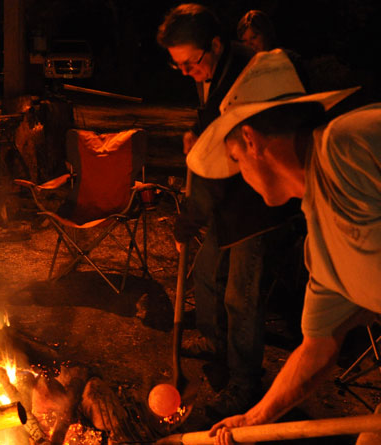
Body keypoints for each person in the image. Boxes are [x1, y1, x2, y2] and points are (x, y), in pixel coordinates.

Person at [187, 49, 381, 444]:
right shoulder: (321, 249)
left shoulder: (353, 143)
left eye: (236, 160)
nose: (242, 177)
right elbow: (317, 351)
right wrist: (252, 419)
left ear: (251, 140)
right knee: (380, 439)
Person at [157, 3, 306, 418]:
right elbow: (212, 126)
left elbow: (222, 164)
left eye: (190, 63)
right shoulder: (213, 70)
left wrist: (191, 217)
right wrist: (197, 131)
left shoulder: (245, 77)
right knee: (207, 276)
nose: (186, 72)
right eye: (178, 66)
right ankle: (217, 345)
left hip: (258, 205)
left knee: (242, 298)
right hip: (229, 204)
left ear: (217, 45)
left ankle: (244, 383)